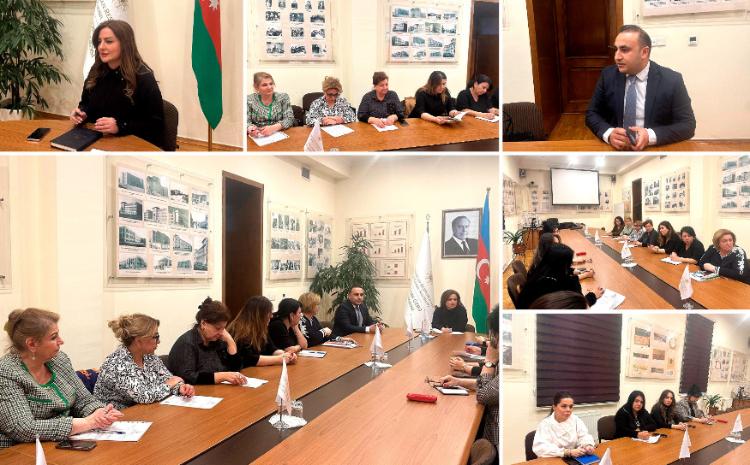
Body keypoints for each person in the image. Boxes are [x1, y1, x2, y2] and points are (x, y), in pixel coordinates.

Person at [0, 308, 123, 448]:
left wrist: (99, 412)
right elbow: (22, 428)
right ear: (32, 344)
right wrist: (86, 423)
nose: (61, 341)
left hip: (62, 443)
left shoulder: (59, 359)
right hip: (18, 450)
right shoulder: (6, 371)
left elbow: (84, 399)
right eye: (54, 337)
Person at [585, 24, 695, 150]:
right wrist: (609, 133)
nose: (617, 57)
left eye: (624, 50)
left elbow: (688, 125)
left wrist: (650, 136)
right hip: (615, 149)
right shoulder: (608, 75)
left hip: (653, 149)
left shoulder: (671, 80)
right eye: (616, 49)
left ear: (644, 52)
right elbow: (592, 114)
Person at [70, 20, 165, 149]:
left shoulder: (143, 76)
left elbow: (155, 124)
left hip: (133, 144)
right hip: (97, 141)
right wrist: (82, 113)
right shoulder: (96, 71)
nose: (101, 47)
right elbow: (86, 103)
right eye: (99, 42)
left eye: (108, 41)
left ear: (125, 44)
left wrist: (120, 126)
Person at [95, 314, 195, 410]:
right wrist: (170, 384)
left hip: (144, 409)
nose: (159, 341)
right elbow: (144, 396)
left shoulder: (149, 356)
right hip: (115, 415)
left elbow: (168, 379)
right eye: (155, 337)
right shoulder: (116, 364)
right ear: (139, 341)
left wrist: (180, 388)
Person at [436, 308, 499, 455]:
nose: (492, 340)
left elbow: (483, 395)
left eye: (494, 336)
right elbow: (490, 385)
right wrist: (458, 382)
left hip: (495, 442)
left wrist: (489, 361)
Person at [167, 297, 245, 385]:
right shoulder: (187, 343)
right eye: (218, 328)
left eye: (223, 328)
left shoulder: (218, 340)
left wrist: (231, 341)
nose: (221, 332)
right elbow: (187, 377)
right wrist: (221, 376)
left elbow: (236, 368)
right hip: (194, 391)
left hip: (216, 389)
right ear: (203, 323)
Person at [516, 244, 603, 309]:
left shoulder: (539, 271)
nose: (571, 266)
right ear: (563, 266)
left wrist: (583, 274)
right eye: (569, 263)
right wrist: (592, 295)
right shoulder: (564, 284)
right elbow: (579, 306)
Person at [228, 296, 297, 367]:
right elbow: (250, 359)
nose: (271, 316)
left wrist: (287, 355)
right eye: (269, 313)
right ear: (259, 315)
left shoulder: (261, 329)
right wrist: (280, 359)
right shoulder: (239, 331)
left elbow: (272, 349)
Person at [532, 391, 596, 458]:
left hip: (573, 458)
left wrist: (588, 445)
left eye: (571, 406)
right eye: (564, 406)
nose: (568, 410)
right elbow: (541, 448)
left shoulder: (575, 419)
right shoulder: (545, 424)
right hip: (553, 459)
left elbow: (584, 435)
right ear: (554, 407)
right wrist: (567, 452)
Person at [247, 72, 295, 137]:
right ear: (256, 87)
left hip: (279, 134)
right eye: (264, 85)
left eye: (271, 84)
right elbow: (245, 121)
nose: (269, 87)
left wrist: (273, 128)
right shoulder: (249, 100)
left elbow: (290, 119)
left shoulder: (283, 97)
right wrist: (251, 129)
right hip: (258, 136)